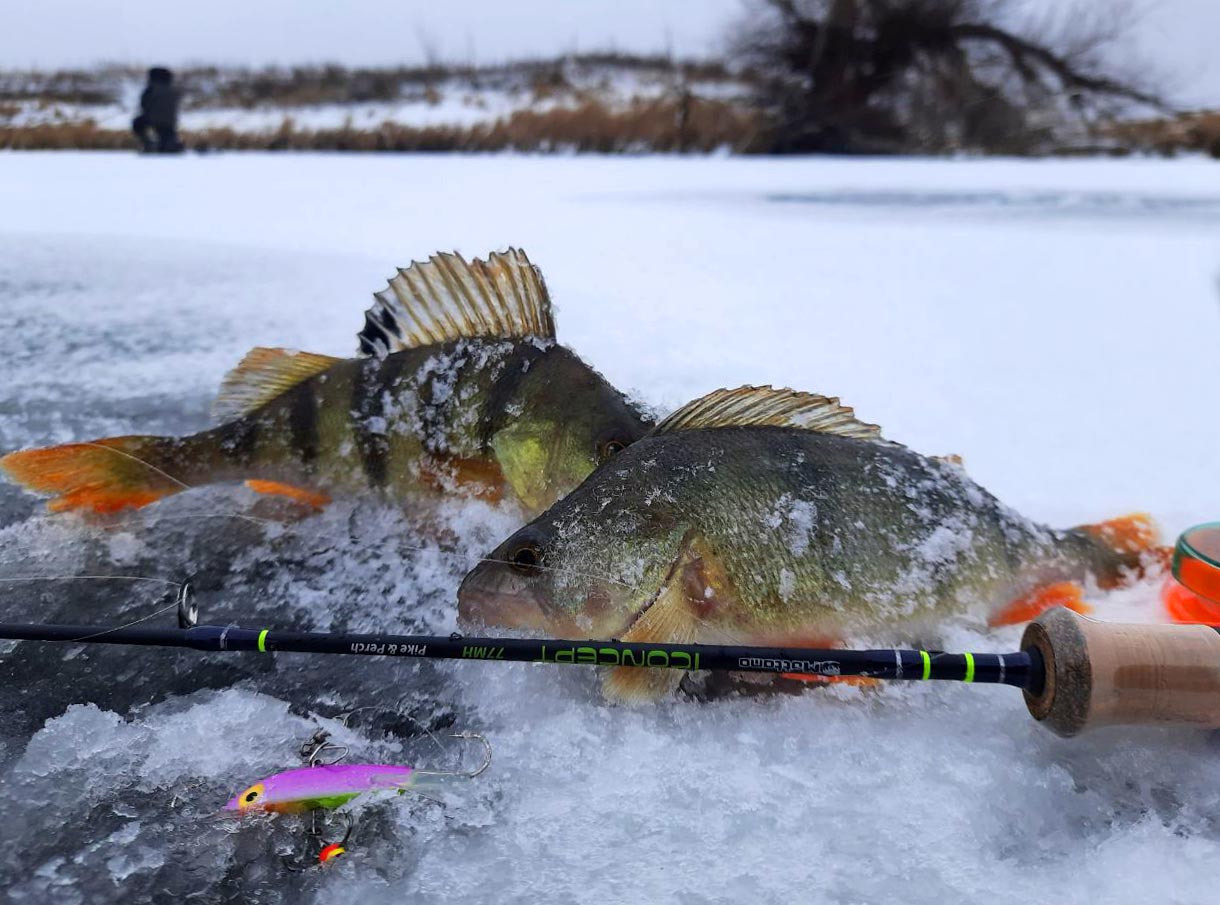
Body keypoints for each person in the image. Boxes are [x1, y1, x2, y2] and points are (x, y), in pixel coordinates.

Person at [132, 67, 183, 153]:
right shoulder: (173, 90)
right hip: (171, 122)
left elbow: (144, 104)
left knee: (137, 123)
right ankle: (170, 145)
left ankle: (149, 144)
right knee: (167, 135)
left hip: (152, 120)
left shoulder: (151, 89)